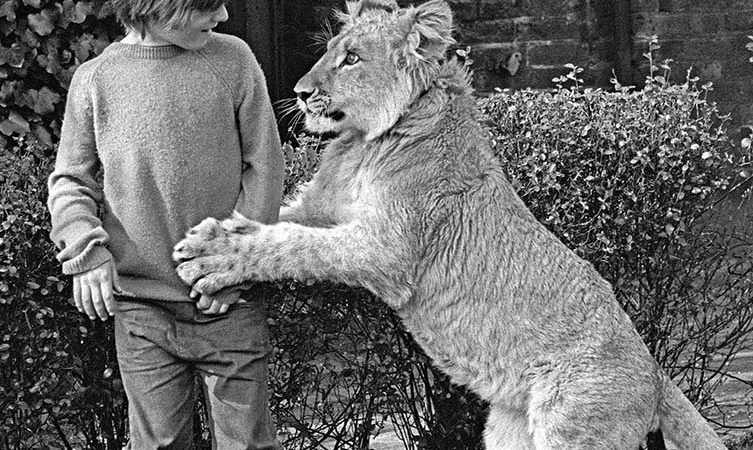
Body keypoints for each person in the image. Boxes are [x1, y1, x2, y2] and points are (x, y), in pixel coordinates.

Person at [46, 0, 284, 447]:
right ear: (157, 8)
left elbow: (264, 168)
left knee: (248, 444)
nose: (224, 16)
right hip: (142, 312)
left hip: (228, 305)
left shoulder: (233, 60)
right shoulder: (96, 80)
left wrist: (236, 264)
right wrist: (86, 248)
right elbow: (70, 182)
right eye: (207, 7)